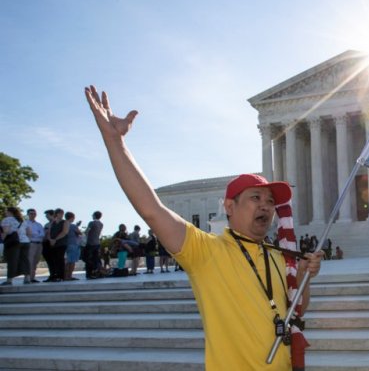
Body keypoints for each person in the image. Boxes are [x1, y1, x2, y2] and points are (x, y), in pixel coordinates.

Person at [85, 85, 322, 370]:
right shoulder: (206, 251)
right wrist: (115, 143)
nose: (265, 206)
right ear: (229, 207)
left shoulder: (278, 257)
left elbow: (296, 309)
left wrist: (306, 279)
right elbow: (151, 209)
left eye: (271, 201)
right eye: (255, 198)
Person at [2, 207, 29, 285]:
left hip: (14, 242)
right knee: (25, 260)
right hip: (25, 241)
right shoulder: (22, 220)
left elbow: (6, 231)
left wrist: (3, 238)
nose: (5, 212)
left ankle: (9, 280)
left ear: (9, 212)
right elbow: (29, 232)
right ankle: (27, 278)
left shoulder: (7, 220)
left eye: (6, 211)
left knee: (12, 260)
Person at [24, 209, 45, 283]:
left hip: (39, 244)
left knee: (35, 261)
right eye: (31, 213)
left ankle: (32, 277)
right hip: (31, 243)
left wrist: (34, 234)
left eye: (34, 213)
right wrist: (35, 235)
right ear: (28, 214)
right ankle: (27, 278)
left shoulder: (38, 224)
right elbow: (27, 234)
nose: (33, 215)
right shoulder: (25, 223)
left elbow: (42, 234)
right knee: (29, 261)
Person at [47, 208, 68, 282]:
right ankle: (54, 275)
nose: (61, 215)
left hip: (61, 243)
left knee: (60, 259)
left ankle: (61, 276)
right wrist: (50, 239)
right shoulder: (52, 222)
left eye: (62, 213)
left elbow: (64, 232)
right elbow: (49, 232)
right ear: (56, 214)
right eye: (60, 213)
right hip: (53, 244)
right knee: (54, 260)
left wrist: (55, 239)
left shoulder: (64, 222)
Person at [62, 212, 82, 281]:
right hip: (73, 244)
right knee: (72, 261)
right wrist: (77, 226)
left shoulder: (63, 224)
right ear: (72, 217)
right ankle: (69, 276)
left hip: (65, 244)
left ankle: (65, 276)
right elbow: (80, 233)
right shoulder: (73, 226)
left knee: (67, 261)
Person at [84, 211, 104, 279]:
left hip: (90, 242)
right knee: (96, 259)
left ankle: (89, 274)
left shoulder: (91, 223)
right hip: (97, 242)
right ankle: (96, 272)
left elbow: (87, 231)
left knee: (88, 259)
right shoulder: (101, 224)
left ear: (94, 216)